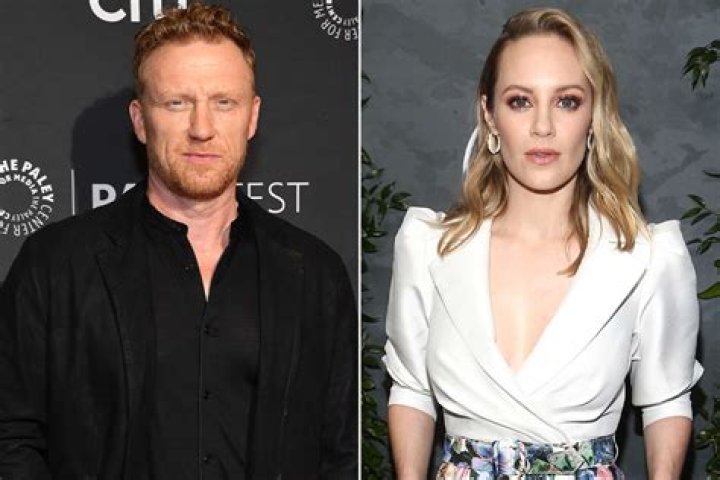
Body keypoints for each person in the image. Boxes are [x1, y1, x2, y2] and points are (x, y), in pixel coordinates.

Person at [0, 3, 356, 479]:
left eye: (223, 103)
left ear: (252, 117)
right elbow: (12, 436)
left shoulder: (314, 274)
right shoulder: (55, 265)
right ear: (140, 119)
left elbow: (339, 451)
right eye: (177, 103)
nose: (201, 128)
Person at [384, 7, 701, 480]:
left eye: (567, 101)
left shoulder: (647, 258)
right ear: (489, 115)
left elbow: (666, 401)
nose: (543, 127)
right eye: (520, 101)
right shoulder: (430, 248)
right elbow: (411, 388)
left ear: (594, 116)